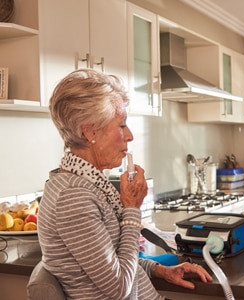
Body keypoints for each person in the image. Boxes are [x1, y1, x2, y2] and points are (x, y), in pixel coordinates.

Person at [38, 69, 212, 300]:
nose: (129, 135)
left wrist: (159, 270)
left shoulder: (85, 182)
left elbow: (110, 261)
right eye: (121, 125)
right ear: (90, 131)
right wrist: (131, 209)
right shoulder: (73, 197)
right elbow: (118, 287)